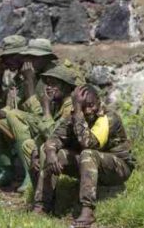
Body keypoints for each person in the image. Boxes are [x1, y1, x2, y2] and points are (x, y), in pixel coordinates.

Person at [33, 85, 135, 228]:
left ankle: (87, 211)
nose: (88, 110)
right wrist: (50, 153)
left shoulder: (108, 117)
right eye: (83, 106)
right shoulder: (75, 116)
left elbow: (88, 143)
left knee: (87, 154)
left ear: (99, 101)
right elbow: (53, 139)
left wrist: (79, 113)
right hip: (90, 164)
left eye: (91, 105)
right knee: (54, 152)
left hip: (118, 168)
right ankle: (42, 205)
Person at [0, 38, 58, 192]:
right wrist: (0, 76)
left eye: (9, 57)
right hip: (30, 123)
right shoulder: (22, 77)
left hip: (50, 127)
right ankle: (7, 171)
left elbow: (40, 114)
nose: (5, 61)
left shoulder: (51, 77)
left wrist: (30, 83)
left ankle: (30, 174)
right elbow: (6, 105)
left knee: (13, 117)